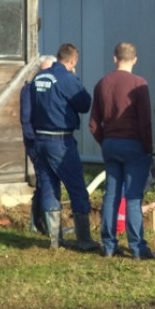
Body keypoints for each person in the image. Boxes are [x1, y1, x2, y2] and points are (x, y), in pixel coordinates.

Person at [89, 42, 155, 259]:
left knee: (111, 195)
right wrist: (149, 148)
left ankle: (108, 245)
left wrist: (105, 141)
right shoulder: (139, 84)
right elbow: (145, 121)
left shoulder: (102, 83)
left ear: (114, 58)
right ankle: (137, 248)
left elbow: (93, 124)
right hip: (134, 143)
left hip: (110, 143)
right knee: (134, 197)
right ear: (135, 59)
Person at [30, 43, 99, 251]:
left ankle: (55, 240)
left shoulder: (39, 78)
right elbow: (85, 103)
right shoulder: (66, 78)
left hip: (39, 139)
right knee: (76, 187)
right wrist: (74, 78)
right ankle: (85, 239)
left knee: (49, 187)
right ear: (73, 61)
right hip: (60, 141)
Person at [20, 54, 56, 236]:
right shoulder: (29, 89)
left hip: (45, 139)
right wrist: (32, 139)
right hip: (35, 140)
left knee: (45, 180)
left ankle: (38, 221)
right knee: (44, 180)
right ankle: (38, 221)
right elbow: (26, 117)